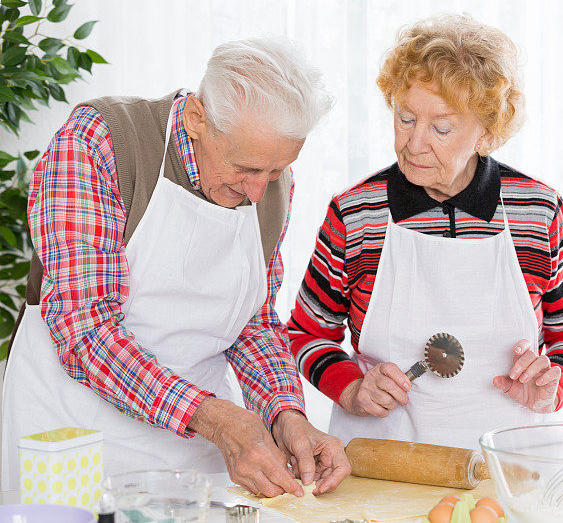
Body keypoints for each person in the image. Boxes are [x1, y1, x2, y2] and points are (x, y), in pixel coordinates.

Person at [1, 36, 349, 498]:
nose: (258, 192)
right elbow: (85, 328)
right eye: (246, 169)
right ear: (197, 119)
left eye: (276, 171)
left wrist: (285, 415)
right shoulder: (101, 141)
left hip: (198, 452)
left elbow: (254, 323)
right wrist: (219, 419)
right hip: (72, 441)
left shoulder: (268, 175)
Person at [288, 15, 563, 450]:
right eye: (405, 118)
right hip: (384, 461)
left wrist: (556, 381)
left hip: (511, 460)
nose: (414, 143)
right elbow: (307, 333)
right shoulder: (355, 213)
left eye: (441, 128)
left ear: (487, 133)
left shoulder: (538, 211)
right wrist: (351, 389)